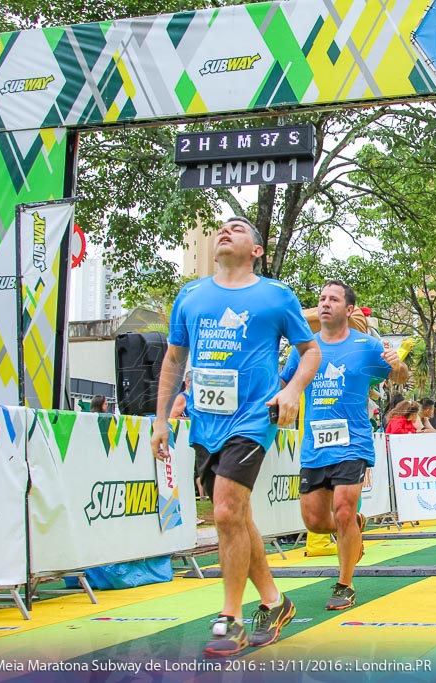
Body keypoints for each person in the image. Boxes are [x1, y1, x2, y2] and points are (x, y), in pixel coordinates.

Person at [150, 216, 321, 658]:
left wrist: (292, 390)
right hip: (205, 423)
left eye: (239, 228)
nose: (226, 231)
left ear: (257, 251)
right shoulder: (190, 296)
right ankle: (274, 601)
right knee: (235, 516)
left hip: (253, 416)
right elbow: (172, 359)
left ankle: (231, 618)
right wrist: (160, 420)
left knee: (225, 509)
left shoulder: (275, 296)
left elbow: (310, 352)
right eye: (222, 227)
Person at [285, 280, 408, 611]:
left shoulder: (366, 346)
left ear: (349, 309)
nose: (325, 304)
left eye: (333, 299)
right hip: (314, 445)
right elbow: (284, 384)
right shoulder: (305, 347)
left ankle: (344, 584)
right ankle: (354, 525)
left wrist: (397, 362)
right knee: (315, 521)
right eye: (322, 299)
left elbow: (400, 377)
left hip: (352, 442)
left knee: (342, 508)